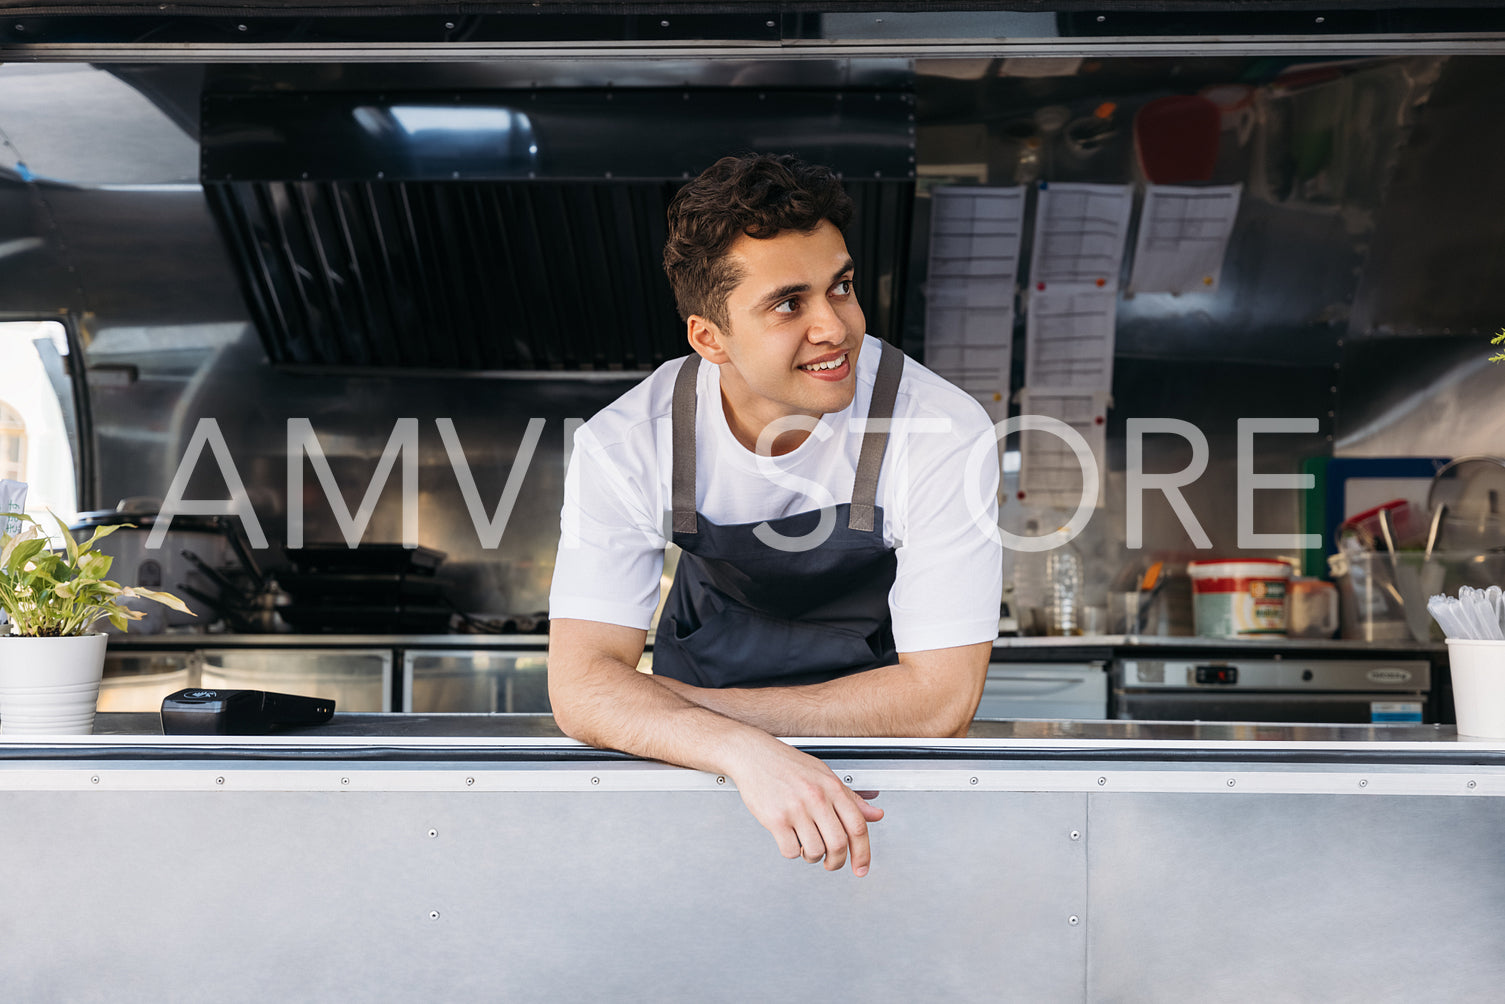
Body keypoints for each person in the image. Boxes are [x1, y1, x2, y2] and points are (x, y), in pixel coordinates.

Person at [547, 153, 1002, 877]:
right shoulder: (629, 441)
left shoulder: (940, 427)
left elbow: (940, 701)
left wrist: (677, 708)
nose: (834, 327)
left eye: (841, 287)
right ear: (709, 338)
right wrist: (734, 749)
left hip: (879, 775)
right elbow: (578, 688)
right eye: (789, 303)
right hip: (693, 770)